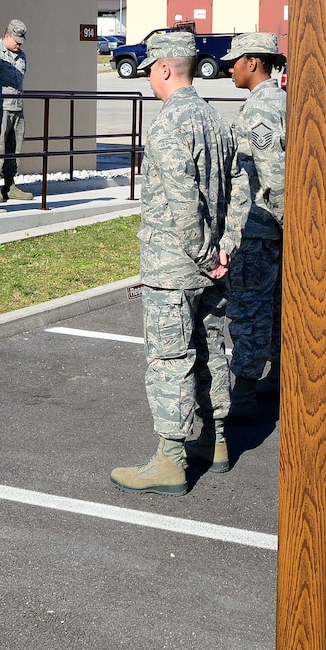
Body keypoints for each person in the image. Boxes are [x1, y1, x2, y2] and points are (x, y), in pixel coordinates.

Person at [111, 30, 230, 496]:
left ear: (163, 69)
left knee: (169, 359)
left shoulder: (168, 125)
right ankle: (216, 443)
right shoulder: (214, 119)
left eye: (149, 72)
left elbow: (183, 203)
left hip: (176, 264)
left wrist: (201, 253)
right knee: (209, 348)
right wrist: (223, 248)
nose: (149, 81)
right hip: (210, 263)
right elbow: (237, 186)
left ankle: (171, 460)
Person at [217, 32, 285, 409]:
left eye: (236, 60)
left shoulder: (261, 108)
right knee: (275, 305)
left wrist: (281, 224)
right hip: (273, 226)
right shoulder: (280, 100)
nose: (230, 67)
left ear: (254, 62)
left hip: (258, 226)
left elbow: (273, 175)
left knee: (248, 308)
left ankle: (243, 389)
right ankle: (276, 374)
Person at [0, 19, 30, 200]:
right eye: (16, 40)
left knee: (15, 147)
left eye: (21, 40)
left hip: (17, 107)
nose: (19, 44)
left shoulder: (21, 56)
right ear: (7, 36)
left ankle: (10, 183)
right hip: (1, 108)